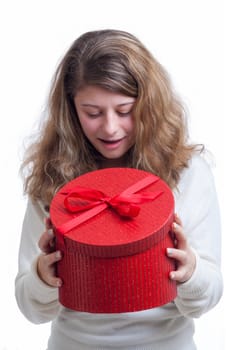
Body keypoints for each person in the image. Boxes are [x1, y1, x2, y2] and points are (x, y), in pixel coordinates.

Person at [15, 29, 223, 350]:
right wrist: (42, 276)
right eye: (92, 113)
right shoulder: (54, 178)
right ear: (71, 110)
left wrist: (190, 269)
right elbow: (31, 310)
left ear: (148, 105)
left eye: (125, 111)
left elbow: (206, 300)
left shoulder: (188, 172)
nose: (110, 127)